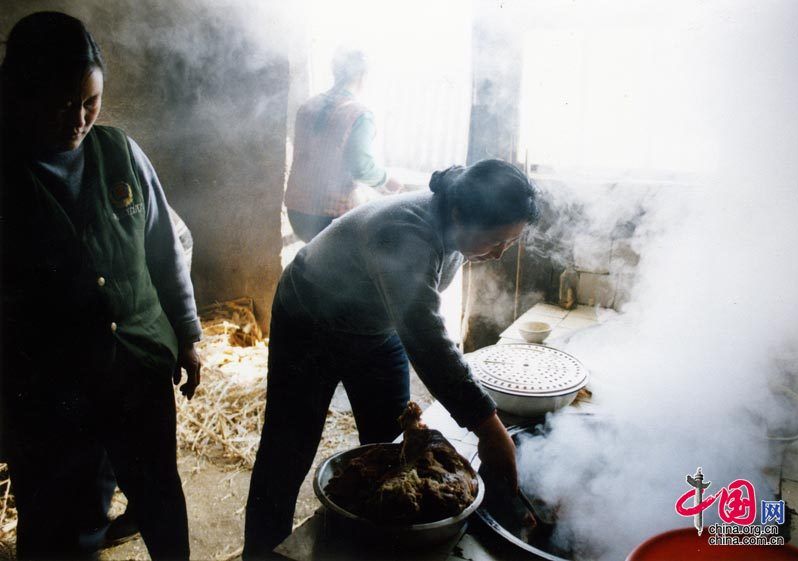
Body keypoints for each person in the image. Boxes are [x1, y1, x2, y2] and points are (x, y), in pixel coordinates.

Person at [243, 158, 538, 558]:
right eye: (495, 241)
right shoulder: (406, 232)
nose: (501, 254)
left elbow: (422, 319)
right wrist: (488, 426)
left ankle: (381, 544)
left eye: (510, 243)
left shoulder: (454, 219)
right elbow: (426, 339)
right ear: (459, 213)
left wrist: (484, 421)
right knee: (287, 449)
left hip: (373, 324)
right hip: (309, 318)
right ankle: (262, 553)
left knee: (400, 445)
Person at [0, 12, 202, 560]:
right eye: (63, 104)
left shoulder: (121, 152)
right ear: (21, 95)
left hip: (138, 366)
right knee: (60, 516)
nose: (80, 118)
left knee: (159, 492)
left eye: (90, 101)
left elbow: (164, 247)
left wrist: (187, 333)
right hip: (51, 391)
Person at [283, 48, 403, 242]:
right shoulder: (359, 114)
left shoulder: (308, 107)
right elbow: (361, 167)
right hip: (329, 217)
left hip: (297, 212)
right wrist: (386, 180)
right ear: (363, 76)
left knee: (317, 261)